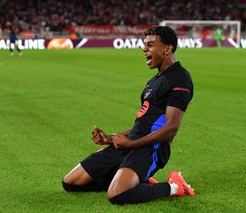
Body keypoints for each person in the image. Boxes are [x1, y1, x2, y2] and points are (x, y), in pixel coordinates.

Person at [62, 26, 195, 204]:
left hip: (153, 148)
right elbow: (143, 124)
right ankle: (135, 180)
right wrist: (110, 139)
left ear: (167, 48)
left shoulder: (180, 78)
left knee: (117, 195)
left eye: (150, 44)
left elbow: (171, 127)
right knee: (70, 183)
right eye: (144, 44)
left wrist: (132, 144)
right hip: (132, 142)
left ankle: (174, 186)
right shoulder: (154, 81)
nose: (144, 48)